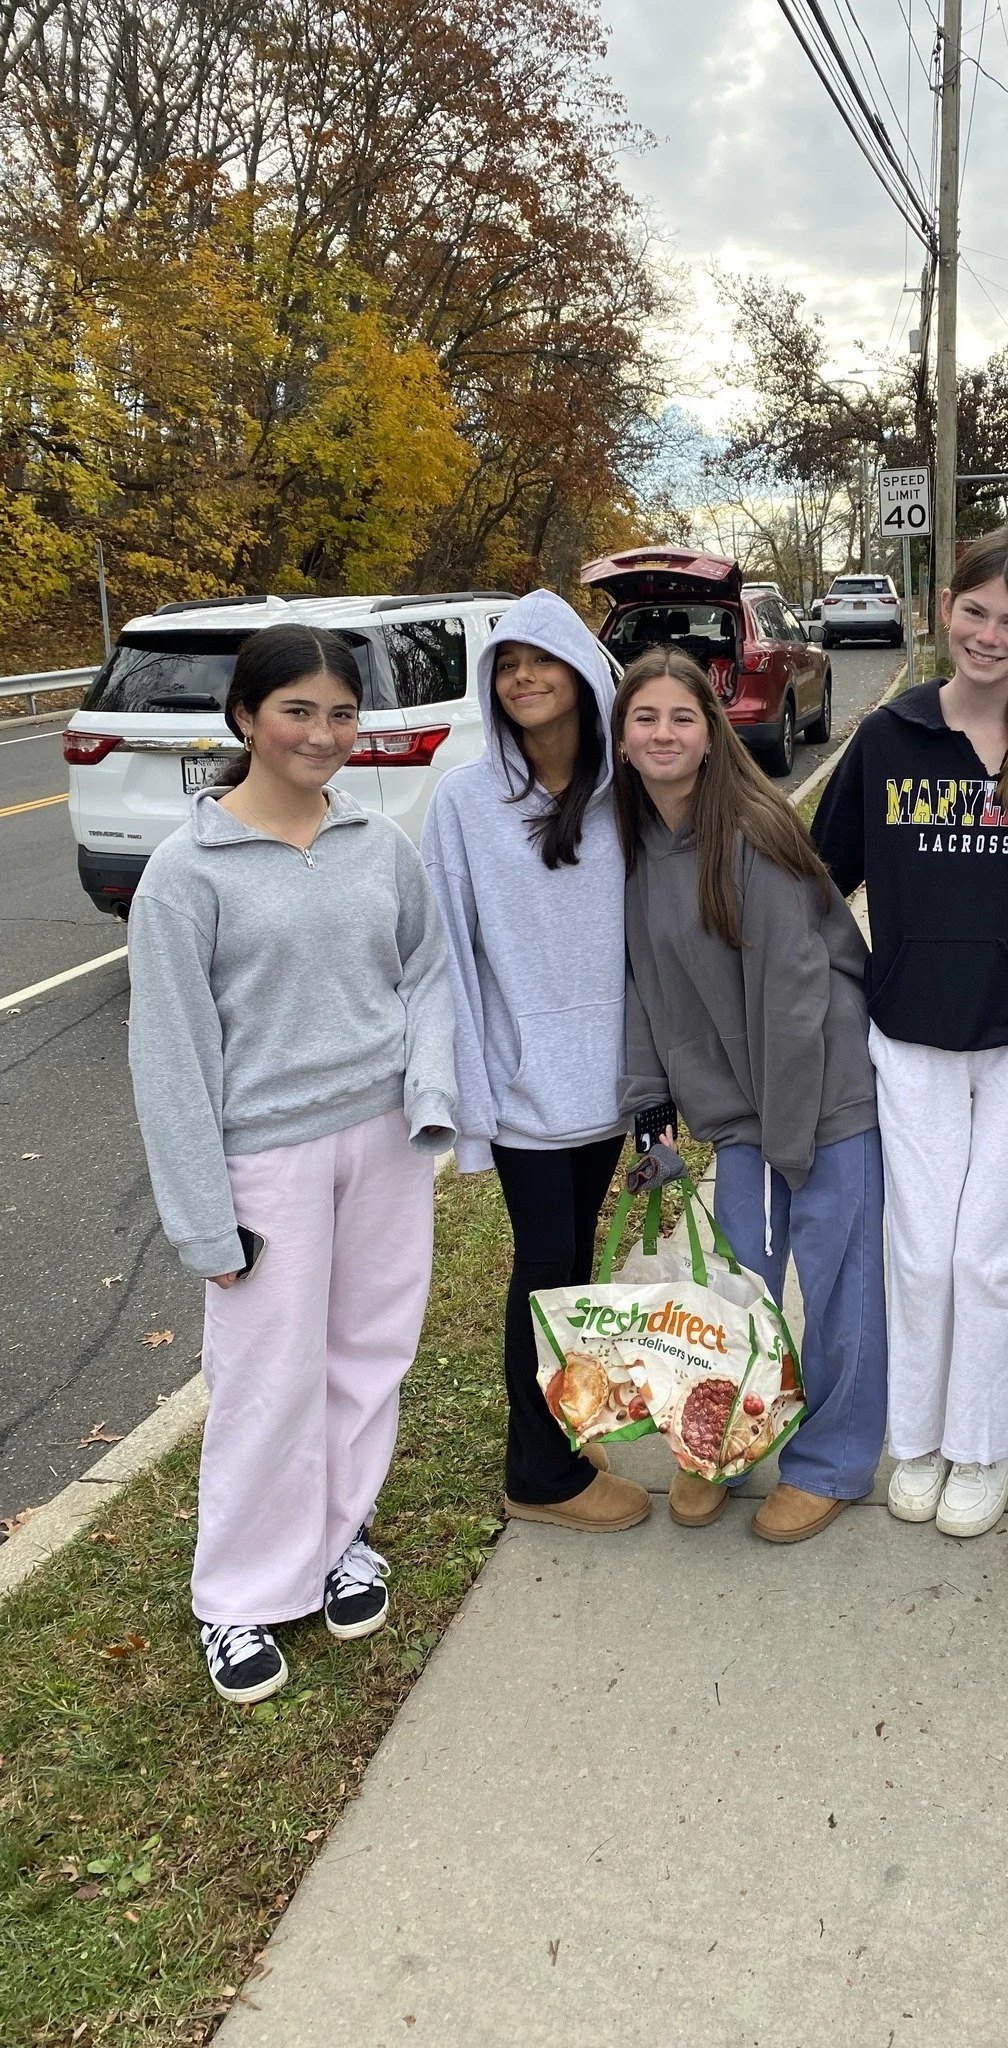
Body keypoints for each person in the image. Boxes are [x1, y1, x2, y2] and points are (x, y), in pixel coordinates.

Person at [127, 624, 458, 1705]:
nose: (323, 734)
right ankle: (235, 1595)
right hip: (263, 1156)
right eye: (298, 710)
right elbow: (171, 1054)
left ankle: (336, 1542)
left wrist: (430, 1096)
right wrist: (200, 1219)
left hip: (381, 1145)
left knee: (367, 1354)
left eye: (341, 713)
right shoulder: (186, 874)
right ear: (245, 718)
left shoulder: (378, 843)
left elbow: (429, 974)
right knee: (267, 1379)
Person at [812, 527, 1008, 1539]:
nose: (990, 632)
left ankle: (985, 1443)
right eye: (976, 609)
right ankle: (917, 1435)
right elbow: (814, 875)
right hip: (911, 1035)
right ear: (942, 605)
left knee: (993, 1258)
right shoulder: (889, 738)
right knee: (923, 1256)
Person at [615, 646, 887, 1543]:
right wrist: (651, 1101)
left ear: (712, 731)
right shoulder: (633, 844)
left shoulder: (755, 831)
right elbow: (643, 984)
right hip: (740, 1112)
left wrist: (790, 1137)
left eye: (682, 717)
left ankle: (833, 1462)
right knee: (735, 1289)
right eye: (645, 716)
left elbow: (796, 990)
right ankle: (722, 1444)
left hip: (820, 1095)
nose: (663, 732)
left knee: (839, 1287)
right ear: (620, 736)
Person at [422, 590, 650, 1535]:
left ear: (581, 673)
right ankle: (539, 1476)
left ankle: (566, 1424)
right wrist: (467, 1089)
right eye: (506, 664)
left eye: (540, 660)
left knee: (578, 1263)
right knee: (545, 1265)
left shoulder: (627, 790)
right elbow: (444, 949)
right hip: (520, 1085)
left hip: (608, 1082)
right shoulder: (466, 801)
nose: (521, 677)